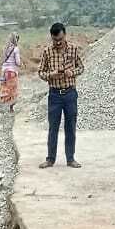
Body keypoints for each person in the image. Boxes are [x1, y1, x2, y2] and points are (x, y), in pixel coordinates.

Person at [38, 22, 84, 169]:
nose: (58, 43)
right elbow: (40, 72)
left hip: (70, 94)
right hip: (55, 95)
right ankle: (50, 159)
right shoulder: (47, 52)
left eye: (60, 39)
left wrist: (73, 72)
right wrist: (51, 75)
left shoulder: (73, 49)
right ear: (51, 37)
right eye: (55, 40)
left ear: (65, 35)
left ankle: (70, 159)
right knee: (53, 127)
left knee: (70, 127)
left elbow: (81, 67)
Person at [0, 32, 21, 112]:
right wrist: (20, 64)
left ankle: (0, 103)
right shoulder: (16, 49)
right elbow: (18, 62)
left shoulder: (5, 48)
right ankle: (10, 108)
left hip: (4, 72)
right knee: (12, 90)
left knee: (5, 88)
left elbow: (3, 60)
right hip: (12, 72)